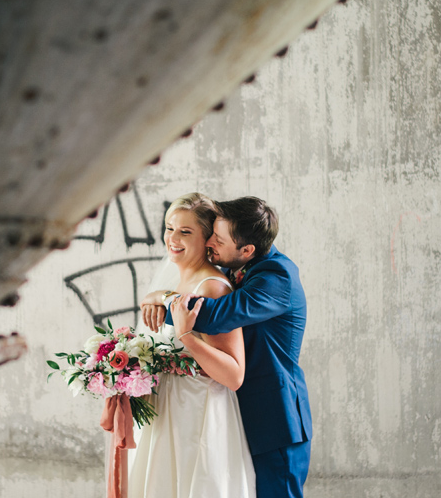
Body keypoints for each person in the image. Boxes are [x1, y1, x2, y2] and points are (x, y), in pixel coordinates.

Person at [141, 196, 312, 498]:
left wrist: (160, 297)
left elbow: (215, 314)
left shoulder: (277, 277)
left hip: (273, 418)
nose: (210, 245)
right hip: (236, 411)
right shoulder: (238, 267)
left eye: (217, 241)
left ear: (247, 250)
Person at [129, 192, 256, 497]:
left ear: (208, 239)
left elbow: (233, 375)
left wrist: (186, 338)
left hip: (196, 413)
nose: (173, 238)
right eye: (169, 228)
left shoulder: (212, 288)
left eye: (186, 232)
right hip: (164, 411)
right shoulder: (173, 284)